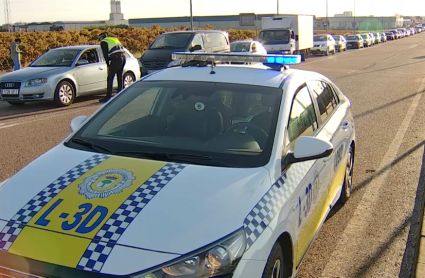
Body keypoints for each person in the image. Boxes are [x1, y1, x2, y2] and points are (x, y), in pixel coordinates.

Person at [98, 33, 126, 103]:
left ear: (101, 38)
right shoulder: (114, 39)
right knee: (119, 76)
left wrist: (108, 65)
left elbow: (105, 55)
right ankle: (120, 93)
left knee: (110, 78)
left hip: (116, 58)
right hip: (123, 57)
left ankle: (108, 97)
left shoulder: (104, 42)